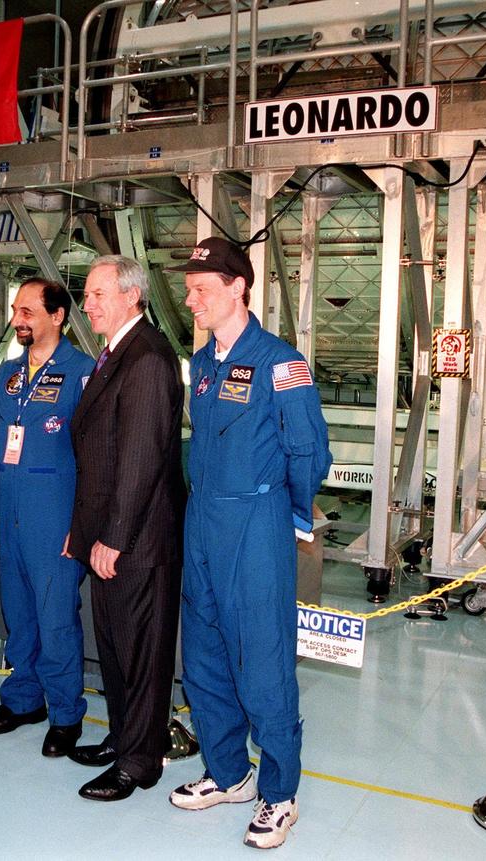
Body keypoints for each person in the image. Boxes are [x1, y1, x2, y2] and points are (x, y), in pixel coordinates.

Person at [168, 237, 332, 850]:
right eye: (188, 290)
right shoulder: (204, 363)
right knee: (205, 653)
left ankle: (279, 793)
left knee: (263, 659)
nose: (191, 300)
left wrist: (286, 513)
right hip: (202, 519)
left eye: (201, 289)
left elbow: (308, 451)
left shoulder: (280, 363)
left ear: (238, 287)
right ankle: (230, 773)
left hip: (254, 521)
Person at [65, 255, 185, 802]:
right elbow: (100, 455)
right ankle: (122, 737)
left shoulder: (148, 358)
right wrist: (84, 529)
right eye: (87, 294)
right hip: (110, 533)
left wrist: (112, 537)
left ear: (131, 296)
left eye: (97, 294)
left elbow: (139, 459)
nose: (86, 304)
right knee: (114, 647)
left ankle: (140, 762)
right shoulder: (116, 353)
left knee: (140, 655)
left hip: (137, 540)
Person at [0, 278, 95, 756]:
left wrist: (81, 525)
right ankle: (23, 699)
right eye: (15, 311)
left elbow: (94, 461)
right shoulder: (7, 373)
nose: (17, 320)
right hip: (9, 511)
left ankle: (66, 713)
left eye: (27, 311)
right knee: (19, 614)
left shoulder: (83, 372)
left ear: (57, 316)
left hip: (55, 517)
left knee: (55, 619)